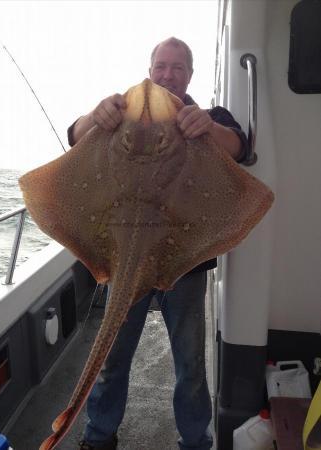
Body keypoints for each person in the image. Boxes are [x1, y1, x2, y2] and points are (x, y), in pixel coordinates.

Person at [68, 37, 248, 450]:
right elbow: (76, 137)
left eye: (178, 68)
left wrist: (210, 127)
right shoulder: (120, 115)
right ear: (150, 71)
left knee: (190, 365)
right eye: (161, 66)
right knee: (112, 358)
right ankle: (98, 436)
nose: (168, 75)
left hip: (183, 263)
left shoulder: (205, 117)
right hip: (124, 254)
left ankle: (195, 442)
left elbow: (240, 146)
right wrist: (92, 117)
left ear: (189, 76)